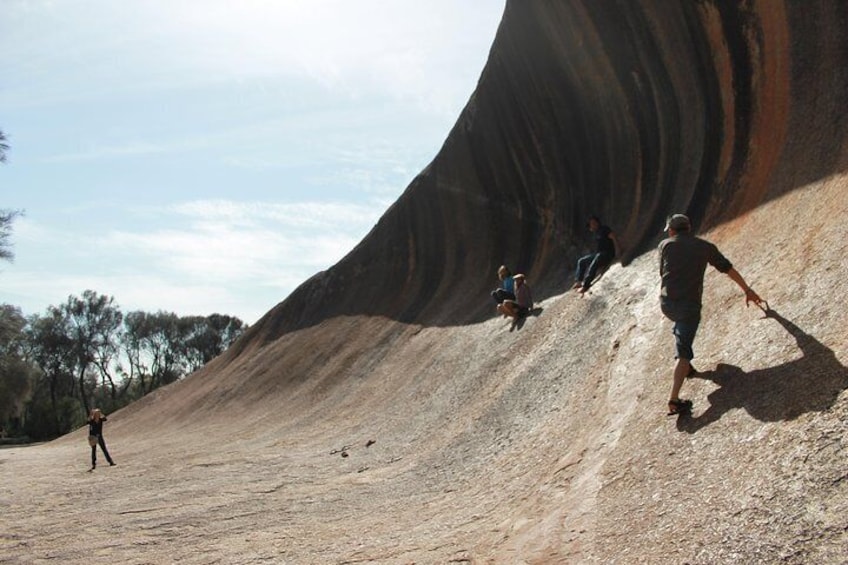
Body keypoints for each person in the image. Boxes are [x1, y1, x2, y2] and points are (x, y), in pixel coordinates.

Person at [659, 214, 763, 415]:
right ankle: (673, 400)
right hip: (689, 307)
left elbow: (663, 274)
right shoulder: (705, 247)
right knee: (683, 352)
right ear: (689, 229)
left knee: (681, 329)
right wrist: (747, 290)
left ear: (672, 231)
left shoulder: (665, 245)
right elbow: (727, 269)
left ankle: (687, 368)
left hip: (666, 304)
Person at [573, 216, 620, 294]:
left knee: (594, 263)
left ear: (598, 223)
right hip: (599, 254)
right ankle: (578, 281)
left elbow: (614, 237)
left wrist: (618, 250)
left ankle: (585, 285)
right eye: (591, 224)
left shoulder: (604, 229)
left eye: (593, 223)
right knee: (582, 261)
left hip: (607, 253)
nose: (592, 225)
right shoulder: (596, 232)